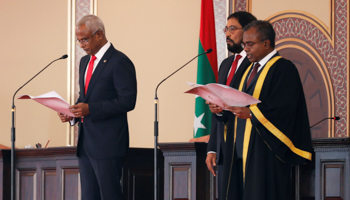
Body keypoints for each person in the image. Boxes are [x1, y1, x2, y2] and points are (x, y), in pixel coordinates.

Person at [219, 20, 313, 200]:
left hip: (265, 154)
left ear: (266, 43)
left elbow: (285, 108)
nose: (245, 48)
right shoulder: (246, 69)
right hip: (238, 152)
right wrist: (220, 108)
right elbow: (234, 100)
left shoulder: (283, 69)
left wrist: (252, 113)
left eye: (250, 44)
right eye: (244, 44)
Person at [57, 15, 137, 200]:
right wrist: (72, 113)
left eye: (84, 39)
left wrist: (90, 109)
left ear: (99, 34)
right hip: (86, 144)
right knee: (89, 196)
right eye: (78, 41)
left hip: (108, 144)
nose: (81, 45)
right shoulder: (85, 62)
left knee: (110, 195)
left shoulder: (119, 61)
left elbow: (128, 101)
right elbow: (85, 98)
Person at [205, 11, 256, 200]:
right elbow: (218, 110)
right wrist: (212, 148)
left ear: (249, 31)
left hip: (246, 145)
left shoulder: (255, 64)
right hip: (224, 149)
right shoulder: (226, 64)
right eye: (226, 29)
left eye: (232, 29)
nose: (227, 33)